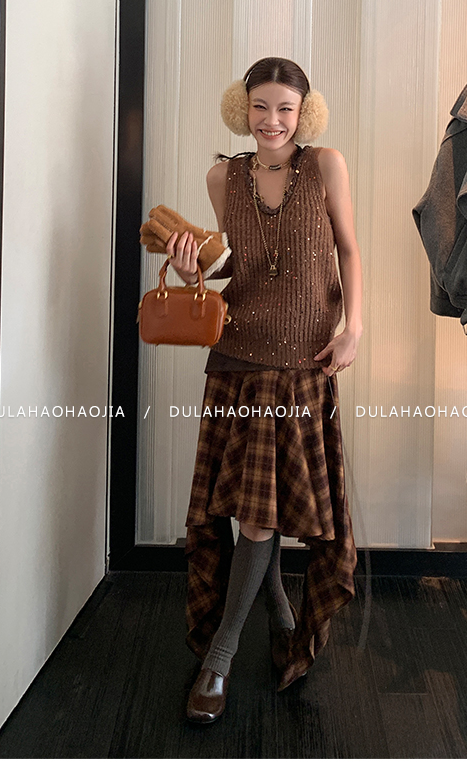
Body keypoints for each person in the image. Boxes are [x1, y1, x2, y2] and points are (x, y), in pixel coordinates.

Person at [165, 57, 362, 723]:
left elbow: (348, 250)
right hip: (238, 364)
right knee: (256, 508)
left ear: (305, 113)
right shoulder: (222, 177)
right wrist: (191, 269)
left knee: (263, 506)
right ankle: (255, 631)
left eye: (285, 108)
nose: (272, 120)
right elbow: (236, 270)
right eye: (260, 106)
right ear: (240, 108)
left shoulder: (326, 166)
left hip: (304, 365)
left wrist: (354, 327)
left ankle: (228, 648)